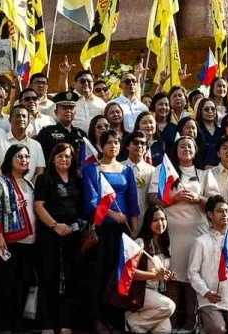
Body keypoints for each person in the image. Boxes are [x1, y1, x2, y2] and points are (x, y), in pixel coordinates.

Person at [81, 129, 139, 328]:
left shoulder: (126, 170)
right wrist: (111, 214)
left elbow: (132, 202)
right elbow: (91, 201)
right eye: (109, 142)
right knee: (98, 273)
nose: (113, 146)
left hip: (122, 231)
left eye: (116, 142)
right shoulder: (92, 169)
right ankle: (96, 319)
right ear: (101, 146)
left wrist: (135, 229)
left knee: (118, 274)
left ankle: (115, 319)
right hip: (101, 229)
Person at [148, 135, 205, 330]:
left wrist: (198, 198)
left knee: (191, 275)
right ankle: (171, 320)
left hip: (196, 234)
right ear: (176, 149)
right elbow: (152, 197)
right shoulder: (163, 170)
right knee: (172, 274)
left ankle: (190, 320)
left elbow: (215, 203)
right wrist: (173, 198)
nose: (186, 149)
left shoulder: (203, 173)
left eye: (190, 146)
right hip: (170, 232)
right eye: (182, 146)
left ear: (195, 150)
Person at [0, 143, 38, 333]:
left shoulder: (30, 184)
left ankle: (17, 324)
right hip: (8, 242)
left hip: (29, 243)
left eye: (26, 157)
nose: (24, 160)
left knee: (23, 284)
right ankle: (2, 326)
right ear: (10, 159)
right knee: (4, 285)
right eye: (19, 156)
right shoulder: (0, 183)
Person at [34, 143, 83, 334]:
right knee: (49, 277)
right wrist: (55, 226)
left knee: (70, 279)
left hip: (72, 235)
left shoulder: (76, 180)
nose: (65, 159)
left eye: (68, 156)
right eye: (60, 156)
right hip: (50, 234)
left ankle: (66, 324)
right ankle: (46, 324)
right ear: (53, 158)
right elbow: (39, 206)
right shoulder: (44, 179)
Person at [187, 196, 228, 334]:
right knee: (217, 329)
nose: (225, 214)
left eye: (227, 211)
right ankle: (202, 325)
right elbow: (192, 273)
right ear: (210, 214)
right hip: (208, 301)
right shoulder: (200, 242)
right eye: (220, 211)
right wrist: (206, 292)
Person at [126, 206, 177, 334]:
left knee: (165, 330)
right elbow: (130, 273)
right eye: (155, 220)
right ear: (148, 222)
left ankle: (137, 325)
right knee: (169, 306)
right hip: (139, 290)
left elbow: (160, 274)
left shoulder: (164, 244)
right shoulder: (140, 243)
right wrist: (155, 275)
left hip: (155, 293)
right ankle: (132, 322)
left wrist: (168, 276)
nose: (160, 223)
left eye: (162, 219)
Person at [38, 90, 86, 158]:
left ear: (75, 112)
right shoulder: (46, 132)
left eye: (71, 108)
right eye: (64, 108)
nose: (68, 111)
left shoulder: (81, 134)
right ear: (56, 112)